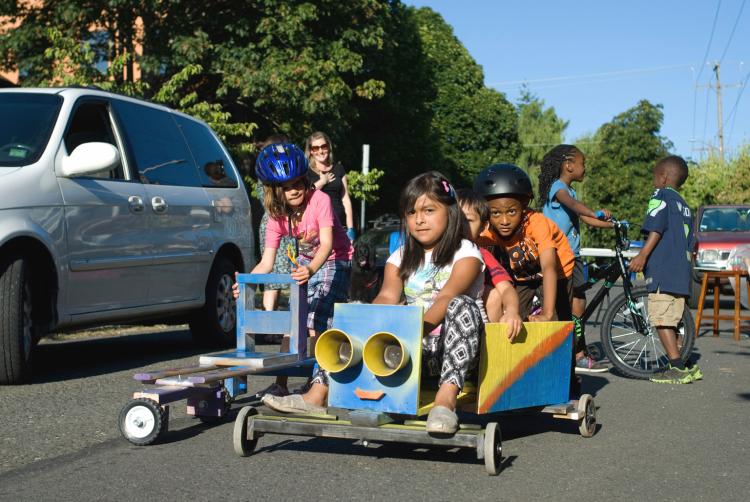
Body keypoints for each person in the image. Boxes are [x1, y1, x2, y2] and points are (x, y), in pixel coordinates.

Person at [263, 172, 485, 434]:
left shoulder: (466, 252)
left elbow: (446, 296)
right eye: (412, 212)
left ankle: (445, 401)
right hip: (408, 354)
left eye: (429, 210)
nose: (420, 219)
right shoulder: (400, 256)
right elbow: (387, 297)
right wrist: (365, 321)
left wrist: (413, 329)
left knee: (461, 305)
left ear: (450, 212)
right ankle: (317, 394)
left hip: (455, 353)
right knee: (354, 310)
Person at [235, 142, 353, 397]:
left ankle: (320, 383)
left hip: (335, 258)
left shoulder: (319, 200)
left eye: (298, 183)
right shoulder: (276, 217)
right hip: (307, 264)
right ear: (274, 191)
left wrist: (310, 268)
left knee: (316, 317)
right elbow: (266, 263)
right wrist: (245, 283)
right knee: (293, 322)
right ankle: (281, 383)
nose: (295, 191)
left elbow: (328, 244)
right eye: (287, 188)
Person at [474, 163, 580, 396]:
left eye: (511, 211)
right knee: (513, 320)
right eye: (495, 213)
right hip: (522, 276)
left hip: (557, 272)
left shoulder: (536, 222)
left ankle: (567, 380)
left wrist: (548, 313)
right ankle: (518, 376)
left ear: (524, 206)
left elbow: (549, 267)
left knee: (559, 325)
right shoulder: (487, 231)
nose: (503, 220)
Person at [628, 155, 702, 384]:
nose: (653, 182)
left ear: (663, 177)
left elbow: (656, 228)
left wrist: (643, 254)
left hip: (662, 268)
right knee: (674, 319)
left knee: (660, 319)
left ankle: (676, 367)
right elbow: (693, 242)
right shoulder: (686, 206)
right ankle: (684, 364)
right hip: (681, 271)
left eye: (654, 177)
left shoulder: (660, 196)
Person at [538, 144, 611, 373]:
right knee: (565, 306)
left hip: (573, 255)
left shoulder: (572, 191)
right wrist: (593, 212)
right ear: (569, 165)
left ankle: (577, 352)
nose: (584, 168)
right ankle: (569, 354)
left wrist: (611, 224)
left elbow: (586, 217)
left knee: (578, 304)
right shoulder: (558, 188)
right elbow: (575, 207)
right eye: (583, 163)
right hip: (558, 256)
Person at [456, 188, 522, 339]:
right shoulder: (431, 253)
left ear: (484, 227)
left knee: (493, 294)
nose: (460, 226)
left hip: (473, 324)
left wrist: (512, 312)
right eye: (455, 219)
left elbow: (506, 288)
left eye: (468, 220)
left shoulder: (481, 255)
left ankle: (492, 343)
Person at [305, 131, 356, 241]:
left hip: (339, 225)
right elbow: (304, 196)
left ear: (329, 147)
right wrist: (322, 182)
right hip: (317, 229)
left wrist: (350, 229)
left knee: (341, 258)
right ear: (310, 151)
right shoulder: (306, 172)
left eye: (324, 146)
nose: (320, 151)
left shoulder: (338, 169)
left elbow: (345, 199)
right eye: (316, 148)